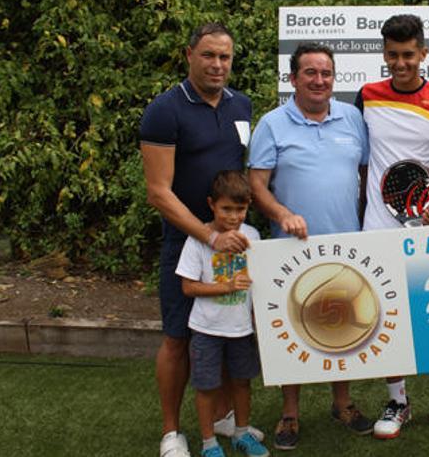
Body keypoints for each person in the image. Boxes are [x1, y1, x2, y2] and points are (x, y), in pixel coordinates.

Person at [141, 23, 262, 457]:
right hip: (188, 244)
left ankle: (227, 418)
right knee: (178, 337)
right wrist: (209, 235)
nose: (217, 65)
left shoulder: (241, 105)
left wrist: (232, 230)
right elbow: (158, 191)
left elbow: (239, 178)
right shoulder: (165, 109)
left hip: (233, 243)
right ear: (189, 54)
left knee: (231, 331)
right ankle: (172, 432)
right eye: (208, 55)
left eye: (225, 57)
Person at [247, 42, 373, 451]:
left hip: (345, 245)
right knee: (293, 331)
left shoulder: (353, 118)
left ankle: (343, 404)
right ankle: (290, 413)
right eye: (310, 73)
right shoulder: (272, 123)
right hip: (290, 249)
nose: (320, 81)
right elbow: (256, 186)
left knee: (345, 327)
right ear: (293, 78)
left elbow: (364, 175)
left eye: (326, 73)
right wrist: (281, 213)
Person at [356, 14, 429, 441]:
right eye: (392, 55)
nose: (400, 63)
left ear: (423, 54)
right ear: (384, 54)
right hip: (378, 227)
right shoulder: (366, 95)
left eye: (408, 55)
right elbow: (363, 159)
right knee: (385, 319)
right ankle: (397, 400)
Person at [175, 171, 268, 457]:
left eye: (240, 209)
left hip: (241, 329)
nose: (233, 216)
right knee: (207, 387)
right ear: (212, 205)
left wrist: (257, 319)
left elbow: (261, 282)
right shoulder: (198, 239)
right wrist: (226, 286)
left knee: (242, 382)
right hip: (206, 330)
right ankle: (209, 444)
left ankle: (242, 433)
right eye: (226, 209)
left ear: (249, 205)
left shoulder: (252, 236)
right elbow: (188, 287)